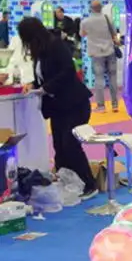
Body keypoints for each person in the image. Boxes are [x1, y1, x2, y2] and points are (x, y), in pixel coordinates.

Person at [16, 17, 98, 199]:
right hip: (58, 107)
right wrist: (33, 84)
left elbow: (68, 71)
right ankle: (67, 181)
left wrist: (46, 88)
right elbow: (44, 75)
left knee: (70, 144)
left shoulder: (55, 45)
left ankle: (89, 184)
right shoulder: (39, 51)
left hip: (75, 103)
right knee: (59, 145)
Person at [79, 0, 120, 113]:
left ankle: (101, 106)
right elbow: (114, 33)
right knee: (113, 78)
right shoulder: (107, 18)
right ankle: (115, 104)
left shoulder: (85, 22)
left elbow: (82, 34)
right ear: (101, 8)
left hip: (96, 53)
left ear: (91, 9)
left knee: (99, 79)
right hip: (110, 51)